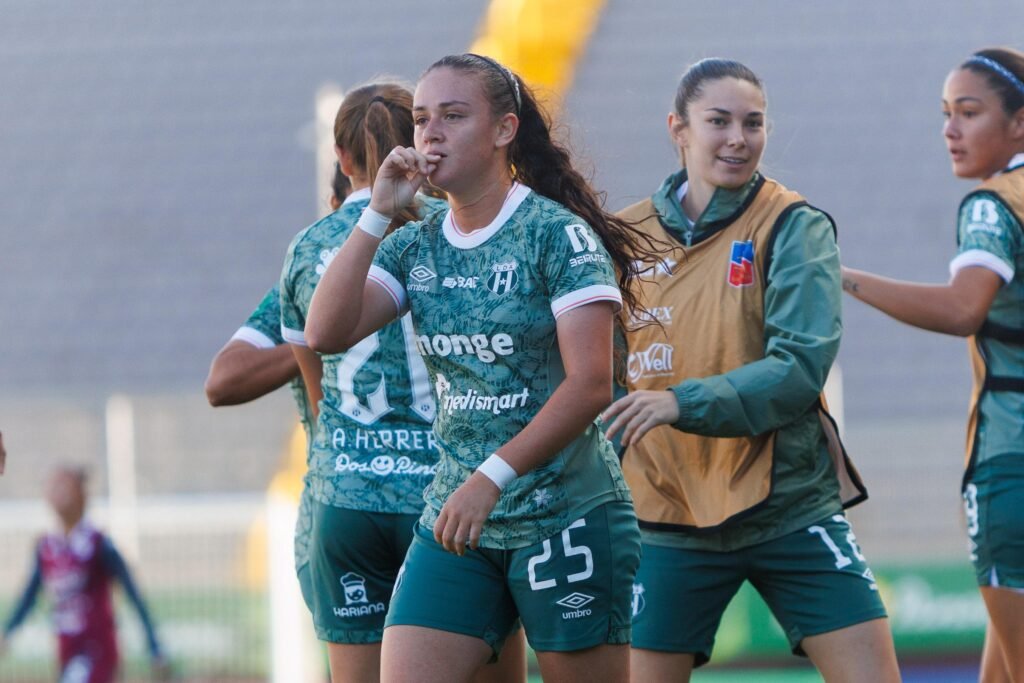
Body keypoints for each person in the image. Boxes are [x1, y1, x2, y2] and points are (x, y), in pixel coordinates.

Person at [306, 53, 662, 683]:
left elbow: (590, 384)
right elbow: (324, 331)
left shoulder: (557, 235)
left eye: (452, 116)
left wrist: (491, 478)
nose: (430, 134)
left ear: (503, 130)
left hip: (563, 514)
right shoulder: (415, 241)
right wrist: (375, 214)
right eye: (420, 120)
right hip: (456, 519)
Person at [601, 58, 901, 682]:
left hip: (788, 503)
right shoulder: (624, 237)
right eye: (719, 121)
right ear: (677, 129)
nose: (738, 137)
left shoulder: (795, 225)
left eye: (753, 122)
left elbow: (799, 368)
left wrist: (678, 402)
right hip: (666, 511)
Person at [281, 79, 526, 683]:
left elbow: (313, 386)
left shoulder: (310, 247)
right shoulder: (460, 225)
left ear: (342, 160)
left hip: (349, 495)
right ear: (417, 141)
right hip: (451, 493)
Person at [841, 47, 1024, 682]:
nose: (950, 129)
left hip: (1012, 462)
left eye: (968, 113)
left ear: (1019, 123)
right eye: (946, 113)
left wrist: (841, 277)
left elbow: (961, 309)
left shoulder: (992, 204)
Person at [0, 466, 167, 683]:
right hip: (67, 651)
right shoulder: (47, 547)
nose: (57, 492)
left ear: (80, 495)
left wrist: (155, 646)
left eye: (64, 486)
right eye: (53, 486)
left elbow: (133, 595)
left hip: (97, 651)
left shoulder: (98, 544)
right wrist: (7, 633)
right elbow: (28, 597)